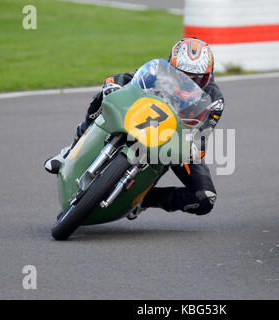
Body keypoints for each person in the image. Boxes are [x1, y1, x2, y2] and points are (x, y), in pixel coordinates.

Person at [44, 38, 225, 219]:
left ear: (209, 75)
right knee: (103, 96)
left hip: (175, 142)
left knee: (205, 198)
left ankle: (144, 200)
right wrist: (112, 85)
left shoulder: (214, 100)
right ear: (171, 66)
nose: (188, 81)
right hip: (142, 117)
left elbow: (204, 133)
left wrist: (196, 146)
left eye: (197, 77)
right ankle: (71, 149)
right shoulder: (157, 72)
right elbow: (125, 79)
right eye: (182, 74)